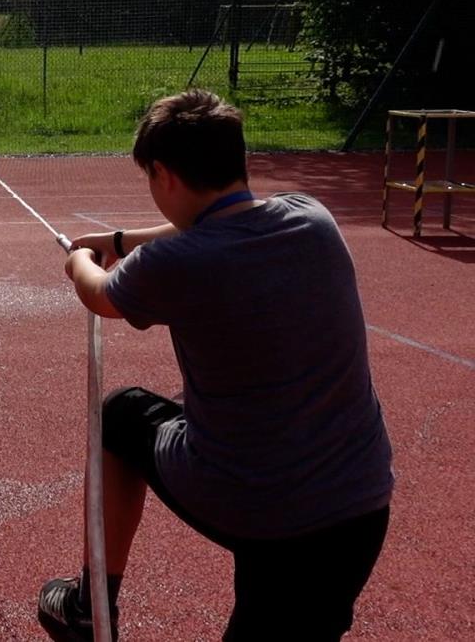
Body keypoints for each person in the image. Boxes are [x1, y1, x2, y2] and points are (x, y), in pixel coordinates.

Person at [38, 90, 393, 642]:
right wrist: (117, 240)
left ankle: (91, 601)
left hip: (267, 511)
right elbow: (214, 226)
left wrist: (79, 260)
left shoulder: (176, 263)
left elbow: (100, 294)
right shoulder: (312, 217)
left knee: (122, 415)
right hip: (361, 505)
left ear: (163, 174)